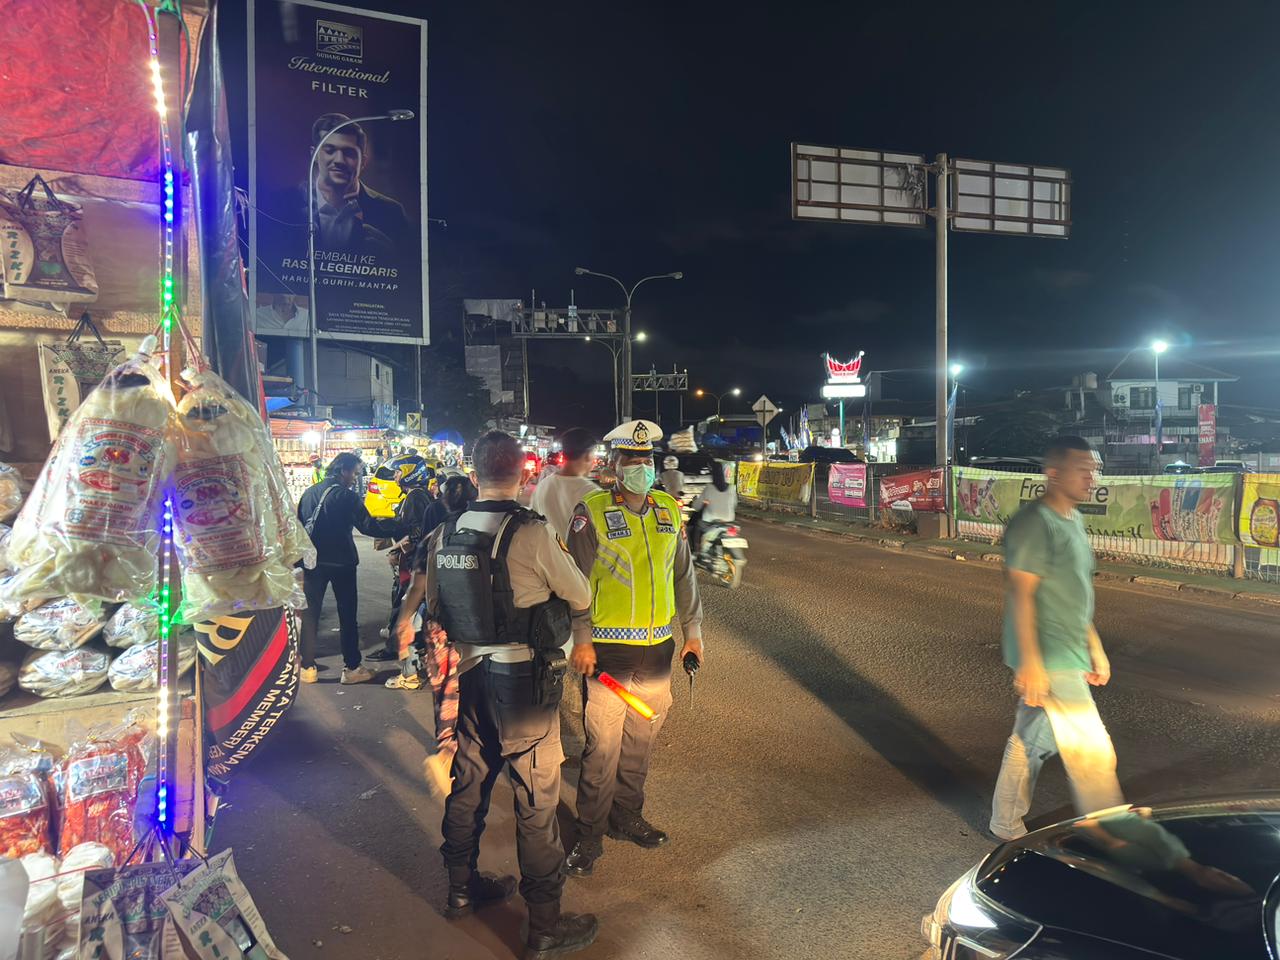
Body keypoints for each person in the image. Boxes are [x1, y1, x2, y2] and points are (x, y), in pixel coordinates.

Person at [396, 431, 598, 959]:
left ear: (475, 473)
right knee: (536, 802)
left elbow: (429, 598)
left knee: (469, 786)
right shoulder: (531, 532)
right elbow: (580, 592)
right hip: (524, 685)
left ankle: (460, 891)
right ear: (523, 474)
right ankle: (544, 927)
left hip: (471, 678)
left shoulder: (445, 532)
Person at [563, 419, 704, 877]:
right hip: (609, 650)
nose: (640, 467)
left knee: (642, 738)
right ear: (615, 464)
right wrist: (581, 639)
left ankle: (626, 815)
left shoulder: (668, 511)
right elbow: (576, 583)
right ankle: (589, 833)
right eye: (631, 460)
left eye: (646, 460)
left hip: (658, 648)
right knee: (602, 746)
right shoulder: (592, 512)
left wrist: (693, 631)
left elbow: (684, 575)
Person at [989, 436, 1124, 841]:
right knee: (1093, 753)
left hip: (1068, 650)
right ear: (1053, 472)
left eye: (1094, 469)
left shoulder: (1073, 520)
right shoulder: (1035, 522)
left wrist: (1095, 648)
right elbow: (1022, 594)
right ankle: (1116, 838)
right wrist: (1031, 663)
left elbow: (1074, 592)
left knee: (1031, 739)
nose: (1091, 477)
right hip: (1049, 654)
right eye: (1082, 469)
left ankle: (1005, 822)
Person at [296, 452, 404, 685]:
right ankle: (352, 668)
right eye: (355, 473)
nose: (355, 478)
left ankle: (307, 667)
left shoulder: (309, 494)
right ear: (343, 470)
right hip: (342, 563)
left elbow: (299, 528)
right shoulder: (346, 496)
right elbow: (368, 526)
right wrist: (400, 527)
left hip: (313, 562)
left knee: (311, 614)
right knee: (347, 615)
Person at [368, 460, 440, 664]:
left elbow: (416, 532)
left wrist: (398, 550)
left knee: (403, 602)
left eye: (399, 472)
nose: (395, 476)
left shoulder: (415, 497)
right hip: (416, 558)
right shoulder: (417, 495)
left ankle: (394, 647)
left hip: (413, 560)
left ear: (411, 473)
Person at [310, 113, 411, 254]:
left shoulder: (392, 212)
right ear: (314, 155)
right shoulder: (286, 203)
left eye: (349, 153)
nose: (339, 160)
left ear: (363, 162)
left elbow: (408, 262)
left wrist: (391, 256)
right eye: (330, 150)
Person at [530, 428, 599, 539]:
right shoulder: (592, 493)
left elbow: (533, 524)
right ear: (588, 456)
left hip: (546, 549)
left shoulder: (542, 486)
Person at [688, 459, 736, 555]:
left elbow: (697, 506)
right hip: (728, 521)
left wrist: (695, 504)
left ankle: (697, 551)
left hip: (710, 522)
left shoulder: (709, 488)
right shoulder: (732, 488)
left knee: (696, 526)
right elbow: (734, 504)